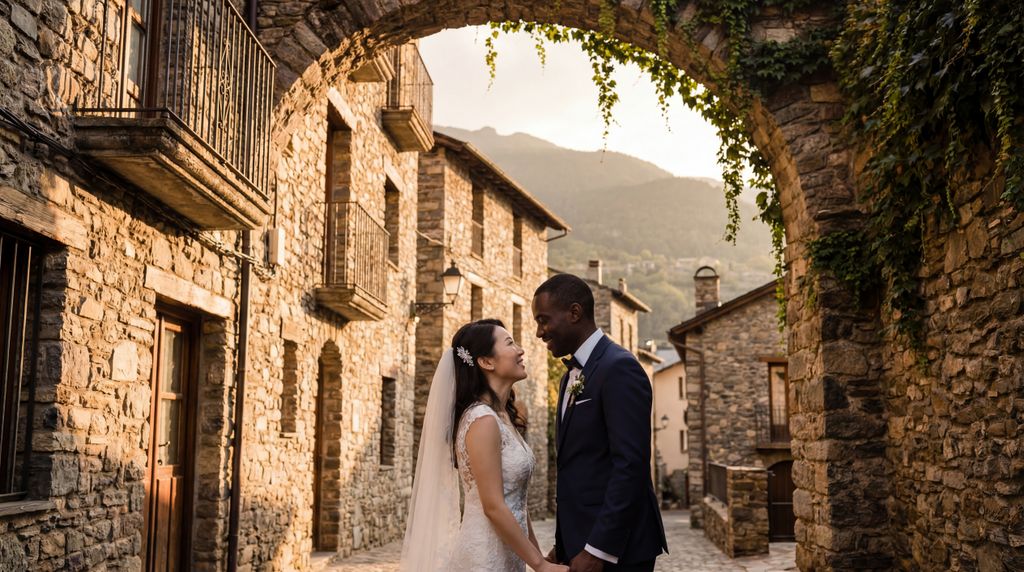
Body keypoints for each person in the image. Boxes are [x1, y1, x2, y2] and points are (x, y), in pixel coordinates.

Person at [400, 319, 569, 572]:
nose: (521, 350)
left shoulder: (503, 417)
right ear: (486, 362)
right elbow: (493, 506)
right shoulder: (482, 420)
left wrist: (539, 559)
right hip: (484, 557)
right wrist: (540, 565)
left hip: (508, 554)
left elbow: (517, 503)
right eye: (510, 343)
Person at [533, 274, 668, 572]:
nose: (539, 332)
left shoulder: (619, 367)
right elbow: (580, 466)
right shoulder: (569, 377)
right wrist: (564, 544)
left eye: (543, 320)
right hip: (580, 543)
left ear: (574, 313)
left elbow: (630, 466)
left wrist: (598, 550)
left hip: (618, 551)